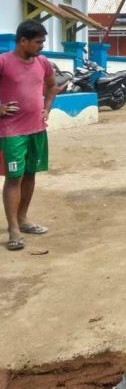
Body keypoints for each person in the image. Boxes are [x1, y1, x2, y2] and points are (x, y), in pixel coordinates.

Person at [0, 21, 58, 251]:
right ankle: (13, 228)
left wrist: (47, 108)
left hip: (37, 130)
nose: (42, 46)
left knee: (30, 174)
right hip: (11, 132)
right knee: (14, 178)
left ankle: (23, 220)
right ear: (23, 40)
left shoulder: (42, 63)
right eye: (38, 42)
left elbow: (52, 86)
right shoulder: (4, 62)